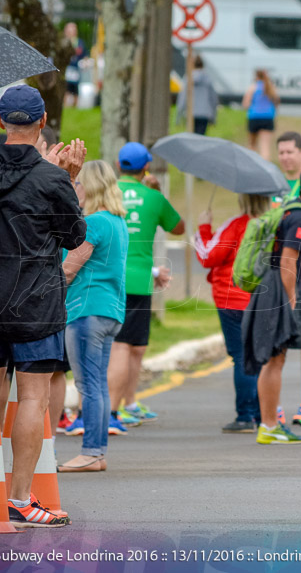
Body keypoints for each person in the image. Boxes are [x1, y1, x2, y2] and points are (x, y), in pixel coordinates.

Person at [0, 85, 85, 527]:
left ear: (0, 121)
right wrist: (70, 179)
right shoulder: (52, 178)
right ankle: (18, 496)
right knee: (32, 398)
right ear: (42, 121)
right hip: (36, 300)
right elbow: (73, 236)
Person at [244, 163, 301, 445]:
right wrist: (290, 299)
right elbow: (287, 260)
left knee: (275, 358)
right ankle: (269, 424)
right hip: (276, 289)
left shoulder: (292, 207)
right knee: (275, 358)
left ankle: (268, 423)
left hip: (268, 284)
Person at [58, 161, 129, 472]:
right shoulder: (118, 222)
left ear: (89, 187)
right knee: (97, 384)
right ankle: (96, 452)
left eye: (78, 184)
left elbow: (70, 268)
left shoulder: (95, 223)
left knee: (88, 385)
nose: (76, 189)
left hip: (86, 310)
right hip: (111, 310)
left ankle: (90, 452)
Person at [110, 142, 183, 431]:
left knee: (122, 346)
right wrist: (157, 194)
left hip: (108, 278)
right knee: (129, 347)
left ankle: (124, 403)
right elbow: (178, 228)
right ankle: (119, 407)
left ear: (118, 166)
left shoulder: (107, 191)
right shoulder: (152, 197)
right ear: (146, 168)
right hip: (139, 280)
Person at [194, 193, 270, 433]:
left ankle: (246, 415)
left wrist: (203, 227)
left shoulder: (237, 224)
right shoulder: (273, 225)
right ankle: (263, 413)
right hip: (264, 298)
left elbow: (208, 256)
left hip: (232, 298)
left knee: (241, 356)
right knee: (260, 357)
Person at [274, 131, 301, 427]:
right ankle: (273, 406)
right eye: (281, 152)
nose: (286, 157)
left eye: (290, 151)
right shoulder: (273, 188)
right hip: (279, 271)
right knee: (276, 340)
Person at [176, 55, 220, 135]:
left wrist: (178, 116)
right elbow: (213, 99)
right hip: (204, 113)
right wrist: (213, 117)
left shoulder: (188, 78)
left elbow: (182, 97)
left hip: (190, 112)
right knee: (200, 138)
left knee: (191, 138)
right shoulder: (208, 79)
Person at [243, 69, 279, 160]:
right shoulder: (271, 88)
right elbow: (277, 102)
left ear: (256, 76)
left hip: (254, 117)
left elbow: (245, 104)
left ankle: (251, 165)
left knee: (252, 145)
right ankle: (266, 167)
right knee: (265, 147)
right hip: (268, 118)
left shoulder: (252, 87)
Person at [63, 22, 87, 108]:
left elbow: (84, 55)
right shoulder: (64, 42)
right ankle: (65, 106)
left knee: (75, 90)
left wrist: (85, 63)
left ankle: (75, 107)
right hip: (66, 69)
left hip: (76, 69)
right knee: (66, 89)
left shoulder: (80, 42)